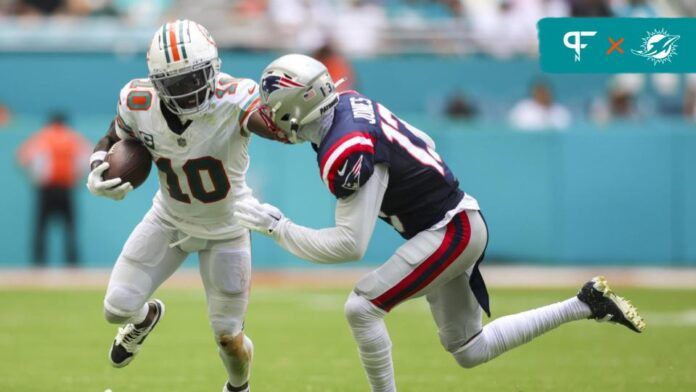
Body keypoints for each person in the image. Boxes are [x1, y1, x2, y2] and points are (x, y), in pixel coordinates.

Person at [234, 54, 646, 392]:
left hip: (451, 229)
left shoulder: (347, 149)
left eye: (274, 108)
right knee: (469, 349)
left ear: (297, 107)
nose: (269, 117)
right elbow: (424, 143)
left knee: (361, 308)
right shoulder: (346, 107)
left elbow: (349, 245)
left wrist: (278, 228)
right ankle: (584, 303)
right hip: (453, 221)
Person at [86, 20, 280, 392]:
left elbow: (269, 125)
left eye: (197, 78)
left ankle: (238, 388)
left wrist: (291, 122)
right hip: (168, 219)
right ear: (158, 84)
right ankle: (144, 320)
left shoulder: (236, 97)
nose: (191, 91)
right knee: (116, 308)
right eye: (178, 84)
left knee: (228, 337)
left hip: (227, 229)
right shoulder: (137, 101)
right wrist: (97, 165)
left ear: (214, 69)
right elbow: (114, 136)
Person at [17, 112, 91, 266]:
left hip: (46, 189)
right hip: (66, 188)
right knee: (70, 229)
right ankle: (72, 265)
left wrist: (33, 177)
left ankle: (38, 264)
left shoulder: (42, 137)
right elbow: (87, 160)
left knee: (41, 228)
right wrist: (78, 178)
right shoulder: (73, 138)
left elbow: (22, 158)